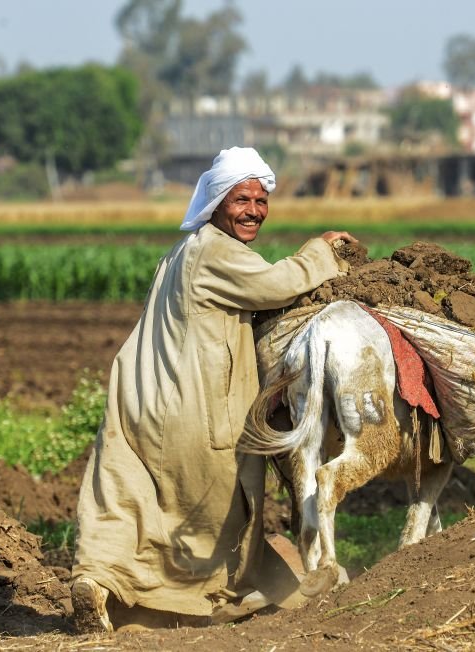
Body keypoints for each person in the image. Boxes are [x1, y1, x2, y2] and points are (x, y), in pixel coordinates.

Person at [70, 146, 356, 633]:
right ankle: (213, 602)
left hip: (144, 402)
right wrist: (322, 250)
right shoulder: (217, 253)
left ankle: (100, 582)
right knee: (215, 515)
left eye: (261, 201)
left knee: (129, 501)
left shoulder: (183, 251)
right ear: (217, 202)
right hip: (194, 408)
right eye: (242, 200)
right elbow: (277, 284)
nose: (253, 211)